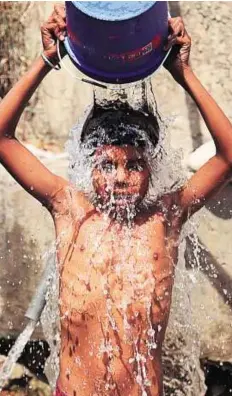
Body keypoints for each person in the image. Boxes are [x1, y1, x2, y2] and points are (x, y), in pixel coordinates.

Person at [0, 5, 232, 396]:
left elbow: (228, 156)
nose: (120, 177)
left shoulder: (166, 217)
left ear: (151, 166)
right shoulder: (68, 209)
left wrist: (183, 73)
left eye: (134, 165)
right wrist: (46, 60)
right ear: (88, 164)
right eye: (107, 164)